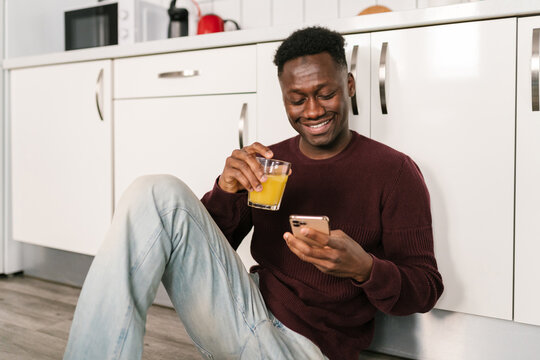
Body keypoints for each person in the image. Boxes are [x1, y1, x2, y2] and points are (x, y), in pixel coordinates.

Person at [64, 26, 443, 360]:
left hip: (306, 349)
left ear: (350, 85)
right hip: (244, 315)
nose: (312, 110)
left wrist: (365, 269)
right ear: (283, 98)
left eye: (324, 93)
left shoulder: (394, 171)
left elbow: (424, 289)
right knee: (154, 190)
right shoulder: (268, 163)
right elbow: (193, 252)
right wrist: (226, 190)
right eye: (297, 99)